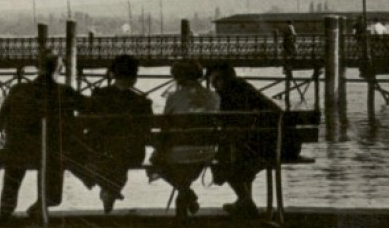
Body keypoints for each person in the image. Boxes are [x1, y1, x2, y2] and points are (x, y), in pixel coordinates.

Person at [0, 54, 85, 222]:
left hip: (17, 152)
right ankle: (39, 207)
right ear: (60, 68)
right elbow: (90, 107)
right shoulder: (64, 92)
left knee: (15, 157)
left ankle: (5, 211)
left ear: (38, 67)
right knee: (54, 191)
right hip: (50, 154)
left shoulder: (17, 90)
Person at [75, 54, 153, 213]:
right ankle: (110, 190)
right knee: (120, 157)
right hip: (132, 153)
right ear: (135, 77)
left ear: (113, 74)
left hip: (100, 150)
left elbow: (86, 122)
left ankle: (107, 188)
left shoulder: (99, 95)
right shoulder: (142, 102)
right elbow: (147, 129)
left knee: (110, 155)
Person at [205, 61, 284, 217]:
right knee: (238, 150)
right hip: (278, 146)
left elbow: (226, 126)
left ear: (219, 78)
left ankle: (245, 199)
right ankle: (244, 201)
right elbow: (277, 111)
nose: (213, 86)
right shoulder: (247, 88)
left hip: (255, 149)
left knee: (225, 158)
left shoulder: (225, 95)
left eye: (213, 81)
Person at [153, 60, 221, 216]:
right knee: (185, 159)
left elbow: (166, 126)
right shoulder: (214, 96)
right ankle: (185, 195)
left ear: (177, 77)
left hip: (179, 152)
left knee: (155, 162)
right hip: (206, 151)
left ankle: (186, 194)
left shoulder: (173, 97)